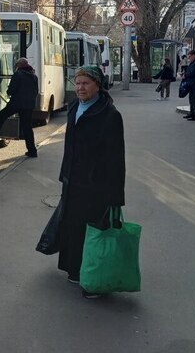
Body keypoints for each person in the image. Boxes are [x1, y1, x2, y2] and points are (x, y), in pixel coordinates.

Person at [56, 66, 125, 299]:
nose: (80, 88)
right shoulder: (74, 107)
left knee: (93, 232)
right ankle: (75, 270)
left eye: (85, 83)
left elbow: (117, 158)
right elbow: (69, 145)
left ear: (97, 85)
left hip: (96, 185)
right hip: (73, 180)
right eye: (77, 83)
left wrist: (115, 195)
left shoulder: (110, 115)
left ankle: (93, 280)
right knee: (73, 227)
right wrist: (64, 173)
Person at [0, 57, 38, 158]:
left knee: (2, 115)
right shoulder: (34, 76)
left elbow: (11, 90)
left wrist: (8, 92)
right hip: (28, 106)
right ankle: (32, 151)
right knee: (27, 128)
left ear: (19, 65)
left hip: (16, 104)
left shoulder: (18, 74)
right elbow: (36, 91)